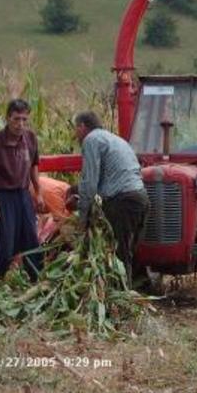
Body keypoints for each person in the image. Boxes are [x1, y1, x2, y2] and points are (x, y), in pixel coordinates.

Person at [69, 111, 149, 287]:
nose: (75, 134)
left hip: (123, 200)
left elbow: (89, 183)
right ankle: (140, 287)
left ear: (82, 126)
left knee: (119, 253)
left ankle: (121, 296)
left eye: (76, 128)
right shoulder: (115, 139)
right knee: (130, 250)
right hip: (140, 197)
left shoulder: (91, 140)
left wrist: (82, 219)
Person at [0, 99, 45, 281]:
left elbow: (34, 166)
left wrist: (38, 192)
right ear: (7, 118)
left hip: (23, 195)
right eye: (16, 119)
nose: (20, 124)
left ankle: (36, 283)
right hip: (2, 197)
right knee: (5, 249)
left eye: (24, 119)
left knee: (32, 244)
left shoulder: (30, 138)